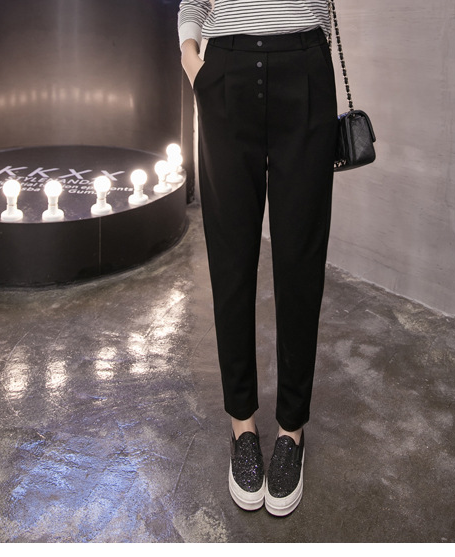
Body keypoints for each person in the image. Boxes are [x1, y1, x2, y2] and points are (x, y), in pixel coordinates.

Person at [177, 0, 337, 517]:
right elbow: (194, 2)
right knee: (230, 260)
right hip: (226, 72)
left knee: (300, 261)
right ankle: (241, 426)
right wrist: (192, 60)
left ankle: (292, 431)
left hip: (304, 65)